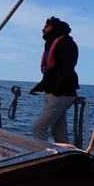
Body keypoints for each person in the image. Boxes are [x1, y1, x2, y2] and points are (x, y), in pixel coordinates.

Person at [29, 16, 79, 144]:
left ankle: (39, 155)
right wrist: (38, 88)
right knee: (59, 129)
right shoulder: (52, 43)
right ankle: (63, 155)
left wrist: (57, 91)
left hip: (61, 94)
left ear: (54, 28)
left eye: (46, 26)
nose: (43, 29)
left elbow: (66, 69)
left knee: (39, 127)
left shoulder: (66, 44)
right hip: (56, 93)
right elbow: (51, 73)